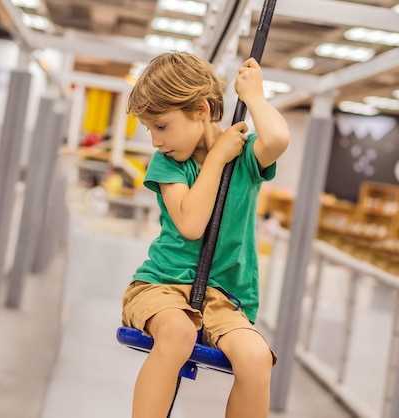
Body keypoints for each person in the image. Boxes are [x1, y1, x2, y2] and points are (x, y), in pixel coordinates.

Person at [121, 51, 290, 417]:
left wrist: (255, 98)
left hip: (224, 297)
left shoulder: (245, 157)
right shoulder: (169, 163)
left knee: (256, 358)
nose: (154, 140)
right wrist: (215, 160)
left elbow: (276, 139)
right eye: (150, 129)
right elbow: (192, 223)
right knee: (178, 333)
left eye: (161, 127)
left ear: (200, 109)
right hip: (161, 287)